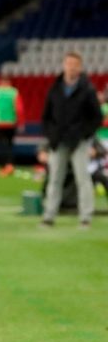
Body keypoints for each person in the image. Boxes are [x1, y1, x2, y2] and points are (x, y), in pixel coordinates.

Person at [40, 51, 102, 229]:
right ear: (64, 65)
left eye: (75, 64)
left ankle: (85, 217)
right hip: (58, 141)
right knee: (54, 179)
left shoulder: (88, 89)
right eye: (69, 63)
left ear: (80, 67)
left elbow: (96, 117)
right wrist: (51, 136)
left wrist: (84, 135)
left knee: (83, 179)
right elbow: (46, 117)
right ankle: (48, 216)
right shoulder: (55, 88)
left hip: (79, 142)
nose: (72, 67)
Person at [0, 75, 24, 177]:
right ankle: (10, 165)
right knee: (9, 145)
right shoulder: (13, 92)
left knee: (1, 145)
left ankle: (3, 167)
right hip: (10, 122)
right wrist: (21, 122)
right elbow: (19, 108)